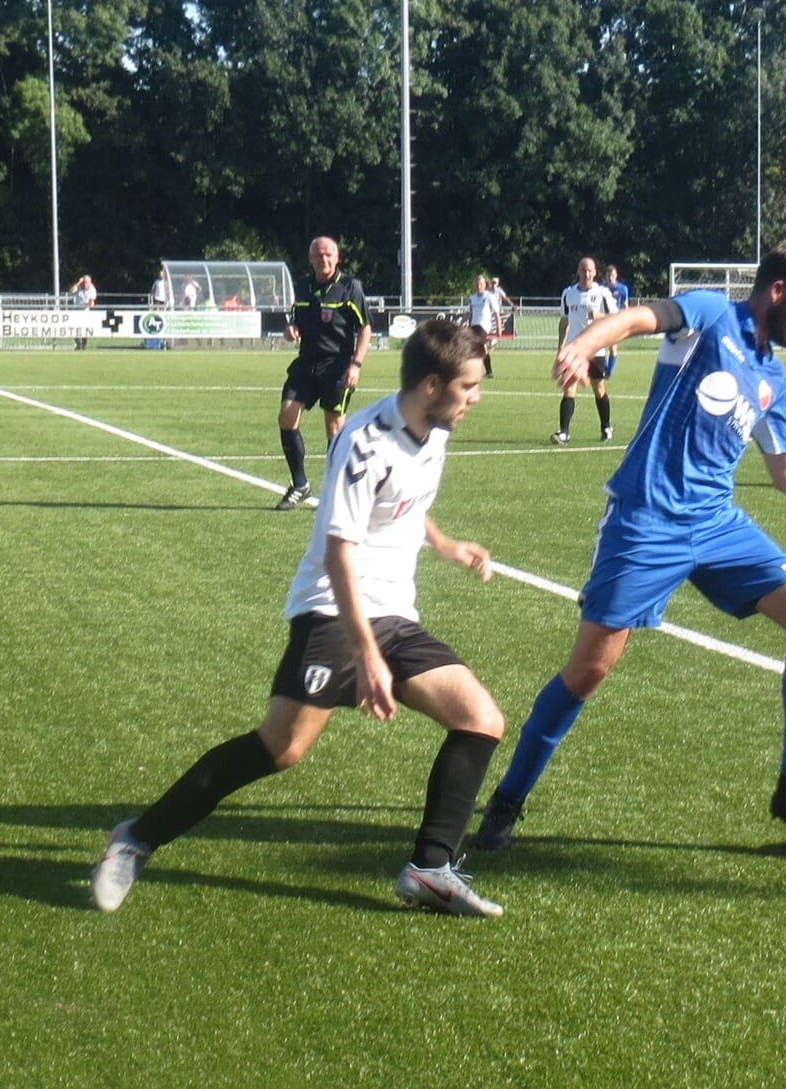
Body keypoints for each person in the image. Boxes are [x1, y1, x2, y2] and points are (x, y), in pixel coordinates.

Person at [474, 240, 786, 851]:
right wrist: (584, 343)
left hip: (717, 524)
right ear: (777, 292)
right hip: (646, 519)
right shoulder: (712, 316)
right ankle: (507, 800)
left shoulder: (773, 376)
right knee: (590, 669)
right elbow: (642, 318)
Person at [91, 319, 507, 917]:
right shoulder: (365, 442)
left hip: (392, 613)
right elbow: (340, 552)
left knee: (481, 718)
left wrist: (445, 545)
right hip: (333, 612)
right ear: (433, 384)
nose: (476, 398)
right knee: (281, 748)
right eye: (469, 386)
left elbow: (403, 507)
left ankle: (430, 869)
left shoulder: (434, 430)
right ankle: (134, 839)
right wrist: (366, 656)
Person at [275, 236, 373, 510]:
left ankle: (337, 491)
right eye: (318, 255)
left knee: (334, 426)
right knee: (286, 415)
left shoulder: (350, 287)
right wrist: (291, 328)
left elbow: (365, 327)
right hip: (306, 363)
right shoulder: (303, 287)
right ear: (310, 259)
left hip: (337, 365)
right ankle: (300, 484)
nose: (324, 259)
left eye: (328, 254)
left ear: (337, 257)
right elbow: (295, 319)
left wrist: (356, 364)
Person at [552, 257, 620, 443]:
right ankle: (564, 432)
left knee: (598, 389)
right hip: (575, 350)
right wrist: (561, 348)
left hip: (595, 349)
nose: (586, 274)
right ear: (578, 272)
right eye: (583, 270)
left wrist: (597, 315)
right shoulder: (568, 293)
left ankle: (606, 427)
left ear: (595, 272)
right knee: (569, 388)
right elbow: (564, 321)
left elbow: (616, 319)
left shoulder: (602, 293)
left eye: (590, 270)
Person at [465, 275, 501, 379]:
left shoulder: (489, 296)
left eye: (481, 284)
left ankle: (485, 371)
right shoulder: (472, 298)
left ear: (485, 285)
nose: (478, 286)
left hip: (484, 326)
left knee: (480, 347)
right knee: (477, 348)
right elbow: (468, 313)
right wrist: (462, 322)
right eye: (477, 284)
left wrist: (499, 327)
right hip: (473, 325)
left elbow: (496, 312)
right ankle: (488, 372)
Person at [69, 274, 98, 350]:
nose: (85, 284)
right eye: (84, 282)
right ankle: (78, 345)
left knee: (85, 330)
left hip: (85, 312)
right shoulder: (79, 287)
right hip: (75, 311)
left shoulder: (92, 290)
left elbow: (91, 304)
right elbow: (71, 291)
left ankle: (83, 345)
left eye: (87, 282)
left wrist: (82, 305)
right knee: (74, 329)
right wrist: (78, 282)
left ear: (90, 282)